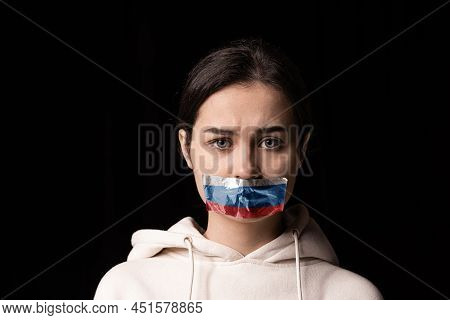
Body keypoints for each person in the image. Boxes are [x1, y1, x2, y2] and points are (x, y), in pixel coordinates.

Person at [94, 38, 383, 300]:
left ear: (301, 148)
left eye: (270, 142)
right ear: (186, 148)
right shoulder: (127, 290)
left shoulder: (353, 298)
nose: (246, 169)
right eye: (220, 142)